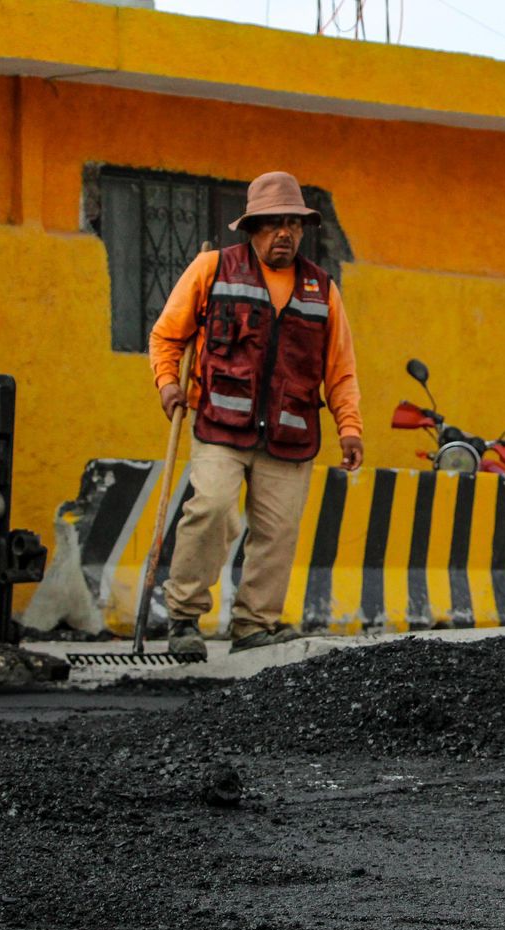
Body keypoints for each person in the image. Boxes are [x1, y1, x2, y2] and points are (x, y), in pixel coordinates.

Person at [148, 170, 363, 655]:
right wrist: (167, 385)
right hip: (219, 423)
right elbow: (166, 336)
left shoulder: (323, 289)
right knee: (210, 509)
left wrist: (349, 428)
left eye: (293, 223)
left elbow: (341, 370)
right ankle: (184, 618)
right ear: (252, 228)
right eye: (273, 223)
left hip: (291, 432)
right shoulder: (212, 269)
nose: (284, 233)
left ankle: (254, 626)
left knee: (277, 532)